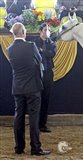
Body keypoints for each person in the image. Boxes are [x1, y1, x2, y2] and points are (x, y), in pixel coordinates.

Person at [7, 22, 51, 156]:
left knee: (18, 116)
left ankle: (19, 147)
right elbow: (40, 63)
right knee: (33, 118)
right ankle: (35, 148)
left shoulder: (9, 49)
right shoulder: (31, 46)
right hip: (33, 87)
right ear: (23, 32)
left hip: (18, 87)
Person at [34, 23, 56, 133]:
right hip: (36, 73)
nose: (47, 32)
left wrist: (42, 51)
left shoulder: (51, 42)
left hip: (47, 73)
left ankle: (42, 124)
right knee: (36, 98)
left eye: (48, 30)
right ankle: (35, 124)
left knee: (46, 98)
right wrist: (44, 52)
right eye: (45, 30)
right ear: (40, 31)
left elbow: (52, 54)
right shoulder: (34, 42)